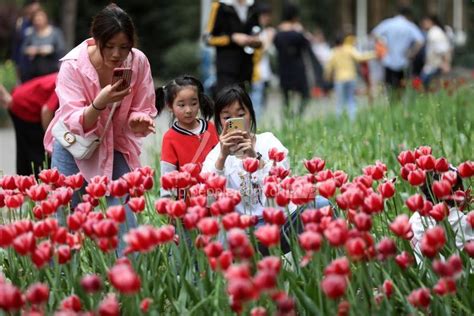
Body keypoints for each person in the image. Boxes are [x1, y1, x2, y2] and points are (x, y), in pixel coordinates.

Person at [43, 4, 157, 253]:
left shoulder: (137, 62)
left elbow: (143, 105)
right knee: (63, 216)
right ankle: (61, 280)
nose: (117, 54)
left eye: (124, 47)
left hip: (115, 144)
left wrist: (139, 119)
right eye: (110, 46)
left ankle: (128, 279)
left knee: (125, 212)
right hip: (74, 146)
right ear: (96, 40)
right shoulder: (73, 66)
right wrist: (99, 103)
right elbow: (75, 119)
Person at [202, 85, 329, 253]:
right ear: (219, 121)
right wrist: (222, 158)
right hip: (244, 231)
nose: (235, 122)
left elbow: (283, 183)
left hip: (281, 221)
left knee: (321, 203)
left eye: (241, 115)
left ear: (251, 114)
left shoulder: (268, 141)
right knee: (221, 230)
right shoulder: (215, 156)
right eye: (227, 117)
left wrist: (254, 156)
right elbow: (210, 201)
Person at [156, 75, 219, 198]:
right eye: (181, 105)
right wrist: (168, 199)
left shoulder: (210, 128)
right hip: (187, 200)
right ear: (170, 106)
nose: (189, 110)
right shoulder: (170, 137)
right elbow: (168, 173)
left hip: (212, 194)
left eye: (193, 103)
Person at [0, 72, 58, 176]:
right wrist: (49, 139)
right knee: (38, 155)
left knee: (25, 153)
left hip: (19, 99)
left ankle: (23, 185)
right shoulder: (65, 81)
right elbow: (46, 111)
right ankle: (35, 186)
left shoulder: (63, 75)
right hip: (25, 107)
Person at [204, 0, 262, 93]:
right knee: (227, 103)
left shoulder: (253, 6)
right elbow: (207, 39)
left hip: (246, 68)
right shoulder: (220, 6)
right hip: (226, 69)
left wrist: (256, 41)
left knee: (244, 104)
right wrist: (232, 38)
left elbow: (257, 32)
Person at [273, 3, 316, 114]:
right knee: (305, 95)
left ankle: (288, 118)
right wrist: (301, 31)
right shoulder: (297, 33)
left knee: (286, 98)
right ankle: (298, 115)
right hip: (298, 69)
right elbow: (307, 44)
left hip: (283, 69)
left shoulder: (278, 33)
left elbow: (276, 47)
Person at [372, 6, 424, 97]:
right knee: (401, 88)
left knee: (389, 88)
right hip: (403, 61)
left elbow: (374, 33)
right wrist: (411, 53)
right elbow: (420, 40)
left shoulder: (388, 23)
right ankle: (399, 107)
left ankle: (392, 107)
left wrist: (384, 44)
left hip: (388, 60)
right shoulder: (409, 25)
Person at [324, 34, 376, 120]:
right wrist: (374, 54)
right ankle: (353, 120)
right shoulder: (348, 49)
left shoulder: (333, 52)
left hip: (339, 79)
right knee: (351, 99)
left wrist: (327, 78)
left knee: (339, 101)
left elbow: (328, 68)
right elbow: (360, 57)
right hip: (351, 77)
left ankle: (339, 121)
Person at [22, 8, 65, 81]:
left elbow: (61, 49)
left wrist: (50, 50)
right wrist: (30, 50)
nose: (38, 22)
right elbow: (23, 48)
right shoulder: (31, 34)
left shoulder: (55, 32)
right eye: (36, 19)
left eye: (40, 19)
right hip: (34, 70)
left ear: (46, 19)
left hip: (51, 69)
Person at [249, 2, 275, 118]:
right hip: (255, 73)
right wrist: (268, 40)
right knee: (256, 103)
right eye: (264, 15)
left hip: (264, 73)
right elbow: (258, 51)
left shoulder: (265, 31)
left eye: (268, 15)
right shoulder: (255, 31)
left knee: (262, 102)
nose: (266, 18)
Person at [11, 0, 41, 83]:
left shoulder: (40, 23)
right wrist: (16, 63)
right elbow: (16, 44)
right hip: (23, 61)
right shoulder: (21, 22)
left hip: (38, 64)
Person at [419, 15, 452, 90]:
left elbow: (443, 50)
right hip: (434, 65)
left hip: (435, 65)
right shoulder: (435, 31)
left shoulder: (434, 32)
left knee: (425, 87)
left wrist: (445, 63)